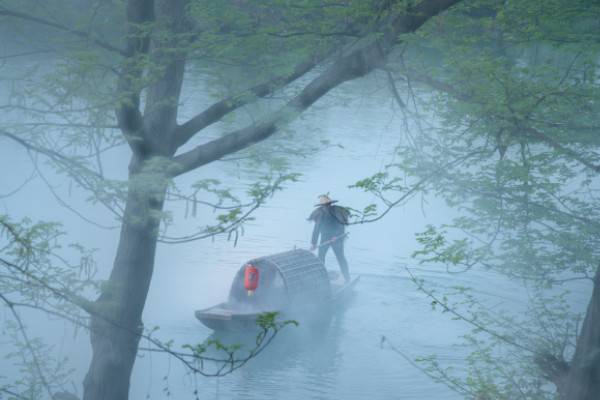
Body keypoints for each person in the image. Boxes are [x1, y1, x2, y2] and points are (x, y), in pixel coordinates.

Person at [308, 195, 351, 282]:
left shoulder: (336, 211)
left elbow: (341, 225)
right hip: (325, 237)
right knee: (320, 257)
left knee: (340, 257)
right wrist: (313, 243)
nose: (325, 207)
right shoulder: (319, 214)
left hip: (337, 238)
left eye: (327, 205)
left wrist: (336, 236)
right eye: (323, 206)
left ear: (330, 205)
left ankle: (347, 278)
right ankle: (320, 278)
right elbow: (316, 229)